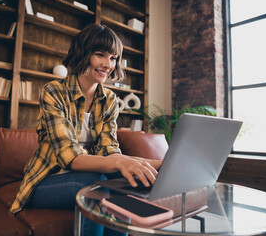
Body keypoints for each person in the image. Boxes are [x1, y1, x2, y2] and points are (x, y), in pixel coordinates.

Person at [10, 23, 162, 236]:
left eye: (113, 57)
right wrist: (121, 162)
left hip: (91, 176)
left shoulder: (109, 100)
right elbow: (69, 157)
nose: (107, 64)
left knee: (122, 186)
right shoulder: (53, 92)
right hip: (48, 180)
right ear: (83, 53)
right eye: (100, 54)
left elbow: (109, 150)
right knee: (95, 186)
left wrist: (153, 164)